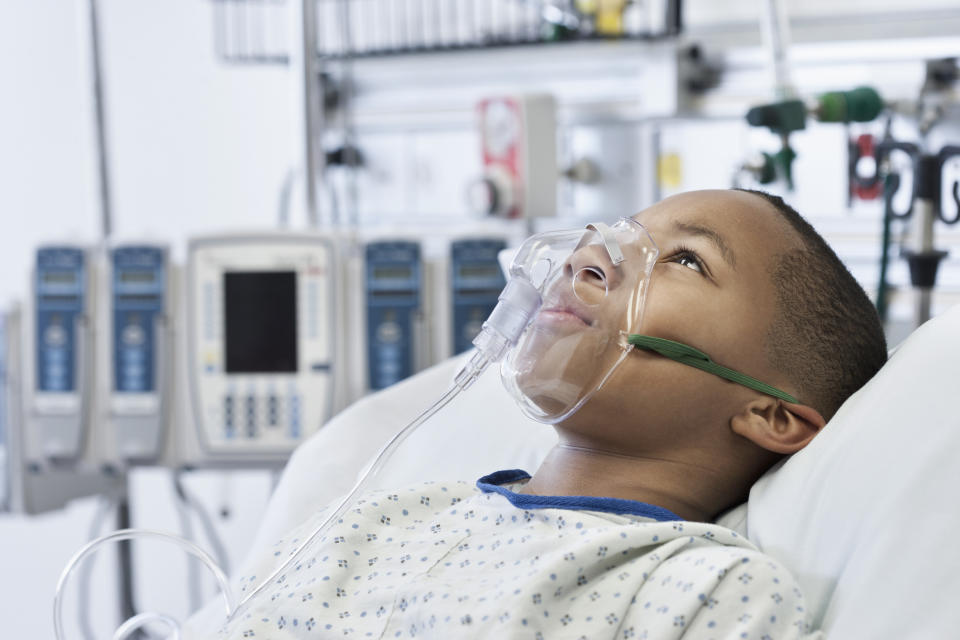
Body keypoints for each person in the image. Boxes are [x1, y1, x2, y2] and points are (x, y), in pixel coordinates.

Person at [202, 189, 887, 639]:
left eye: (685, 260)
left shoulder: (703, 592)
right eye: (617, 235)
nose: (591, 257)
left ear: (771, 414)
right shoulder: (379, 518)